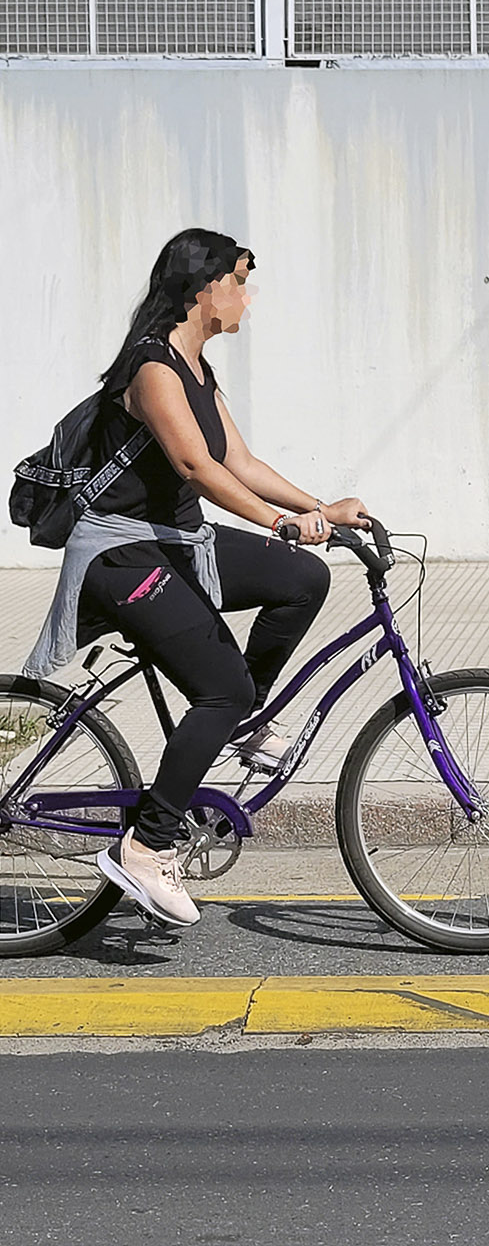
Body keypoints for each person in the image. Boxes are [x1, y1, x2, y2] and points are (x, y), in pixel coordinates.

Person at [20, 228, 370, 929]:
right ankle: (146, 847)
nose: (248, 294)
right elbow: (196, 469)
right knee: (220, 687)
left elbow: (238, 461)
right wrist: (276, 522)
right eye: (240, 278)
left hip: (179, 543)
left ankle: (244, 721)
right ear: (202, 288)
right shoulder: (152, 369)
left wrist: (319, 508)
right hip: (123, 558)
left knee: (302, 579)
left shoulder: (198, 368)